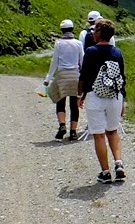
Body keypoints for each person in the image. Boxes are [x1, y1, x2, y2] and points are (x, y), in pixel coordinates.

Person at [78, 18, 127, 183]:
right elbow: (122, 77)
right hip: (115, 96)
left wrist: (80, 95)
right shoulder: (117, 52)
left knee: (99, 135)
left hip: (95, 96)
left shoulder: (91, 51)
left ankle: (105, 173)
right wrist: (123, 100)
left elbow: (84, 76)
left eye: (95, 30)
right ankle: (119, 163)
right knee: (112, 132)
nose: (92, 33)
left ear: (99, 33)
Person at [44, 18, 84, 141]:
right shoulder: (78, 43)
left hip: (62, 75)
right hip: (75, 75)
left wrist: (48, 78)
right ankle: (73, 132)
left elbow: (54, 62)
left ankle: (62, 125)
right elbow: (82, 60)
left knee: (60, 102)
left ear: (62, 30)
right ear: (72, 29)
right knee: (74, 105)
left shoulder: (59, 44)